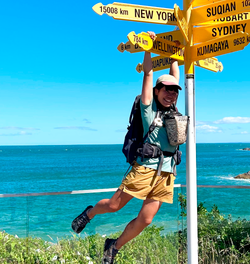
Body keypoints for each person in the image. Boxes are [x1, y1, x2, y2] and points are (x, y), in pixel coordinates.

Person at [71, 31, 181, 264]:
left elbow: (175, 76)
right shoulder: (148, 108)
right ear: (156, 92)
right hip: (145, 169)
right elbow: (149, 74)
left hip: (167, 173)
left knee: (146, 219)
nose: (171, 93)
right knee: (114, 206)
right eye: (166, 90)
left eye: (174, 91)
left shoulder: (173, 109)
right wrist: (149, 48)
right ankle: (88, 214)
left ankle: (113, 247)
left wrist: (174, 54)